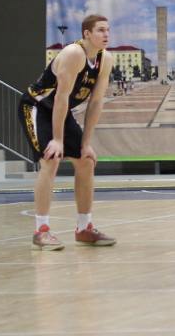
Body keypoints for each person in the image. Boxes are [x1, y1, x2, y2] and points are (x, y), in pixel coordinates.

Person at [21, 14, 118, 251]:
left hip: (60, 111)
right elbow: (61, 98)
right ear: (87, 34)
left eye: (107, 30)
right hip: (37, 106)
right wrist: (57, 139)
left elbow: (96, 102)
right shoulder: (74, 54)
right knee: (51, 159)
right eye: (100, 30)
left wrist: (86, 143)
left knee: (86, 161)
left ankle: (84, 228)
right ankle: (41, 231)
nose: (106, 34)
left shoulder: (105, 59)